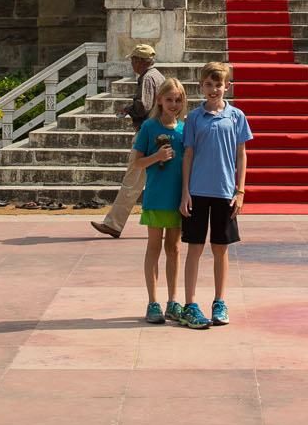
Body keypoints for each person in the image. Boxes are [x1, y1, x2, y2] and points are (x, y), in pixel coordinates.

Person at [177, 61, 250, 329]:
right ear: (201, 86)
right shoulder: (194, 118)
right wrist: (185, 191)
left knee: (221, 248)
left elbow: (241, 154)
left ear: (227, 86)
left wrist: (240, 190)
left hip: (224, 191)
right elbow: (188, 154)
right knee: (194, 247)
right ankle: (190, 304)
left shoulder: (237, 116)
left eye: (218, 84)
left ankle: (220, 301)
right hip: (197, 190)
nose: (213, 89)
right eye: (208, 84)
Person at [91, 42, 166, 238]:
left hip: (146, 134)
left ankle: (114, 224)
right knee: (153, 181)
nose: (132, 64)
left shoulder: (148, 78)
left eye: (133, 60)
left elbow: (143, 106)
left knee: (132, 180)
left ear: (140, 62)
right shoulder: (157, 76)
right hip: (156, 133)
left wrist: (128, 109)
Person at [130, 78, 188, 324]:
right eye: (169, 100)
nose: (173, 105)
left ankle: (173, 301)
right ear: (159, 100)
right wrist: (157, 156)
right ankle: (152, 301)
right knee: (154, 247)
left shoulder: (185, 129)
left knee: (174, 249)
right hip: (156, 196)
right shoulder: (149, 127)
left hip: (178, 197)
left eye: (178, 100)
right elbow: (137, 162)